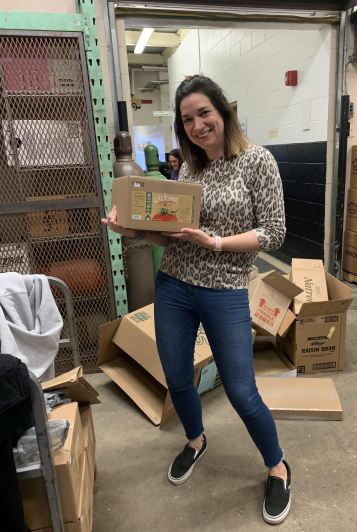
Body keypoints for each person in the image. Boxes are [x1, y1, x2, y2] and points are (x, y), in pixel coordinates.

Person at [102, 75, 290, 525]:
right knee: (177, 377)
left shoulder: (256, 161)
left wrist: (218, 244)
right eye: (187, 119)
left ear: (223, 111)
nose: (197, 125)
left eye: (203, 113)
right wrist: (130, 231)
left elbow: (274, 232)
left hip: (224, 290)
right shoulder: (188, 171)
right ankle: (195, 439)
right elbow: (175, 238)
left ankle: (278, 466)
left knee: (243, 392)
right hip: (175, 286)